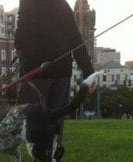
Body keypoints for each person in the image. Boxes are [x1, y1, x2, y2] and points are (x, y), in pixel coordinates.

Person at [15, 0, 95, 144]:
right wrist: (88, 71)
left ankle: (42, 156)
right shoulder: (62, 4)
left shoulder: (29, 3)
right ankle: (52, 159)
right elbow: (75, 39)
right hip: (61, 70)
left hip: (36, 71)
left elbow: (22, 28)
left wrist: (20, 48)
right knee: (55, 119)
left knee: (28, 118)